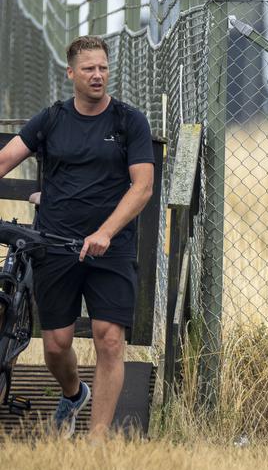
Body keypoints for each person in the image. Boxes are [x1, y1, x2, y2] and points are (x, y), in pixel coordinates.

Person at [0, 35, 154, 440]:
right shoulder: (52, 119)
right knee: (55, 344)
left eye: (103, 67)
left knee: (109, 339)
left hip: (111, 247)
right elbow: (6, 158)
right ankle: (73, 394)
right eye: (89, 68)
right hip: (55, 245)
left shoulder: (129, 121)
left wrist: (106, 231)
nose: (98, 75)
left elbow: (142, 187)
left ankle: (96, 440)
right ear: (71, 73)